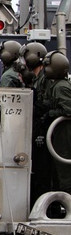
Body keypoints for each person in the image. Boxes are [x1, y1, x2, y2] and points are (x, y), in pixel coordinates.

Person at [25, 42, 52, 203]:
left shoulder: (44, 80)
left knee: (43, 173)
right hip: (39, 129)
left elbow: (46, 105)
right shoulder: (38, 79)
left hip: (45, 130)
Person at [42, 51, 71, 196]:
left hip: (64, 134)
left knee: (64, 173)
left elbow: (69, 109)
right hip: (59, 133)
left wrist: (51, 113)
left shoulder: (61, 87)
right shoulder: (56, 85)